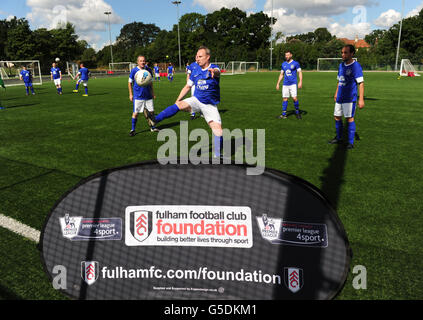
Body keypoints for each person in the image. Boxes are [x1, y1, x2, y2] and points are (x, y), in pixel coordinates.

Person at [145, 46, 224, 158]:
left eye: (200, 56)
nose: (197, 59)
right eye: (196, 56)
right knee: (179, 104)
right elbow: (188, 86)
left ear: (208, 57)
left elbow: (217, 72)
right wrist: (178, 100)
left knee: (218, 131)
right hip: (196, 100)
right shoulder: (195, 70)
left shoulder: (214, 68)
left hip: (209, 105)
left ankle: (218, 155)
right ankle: (154, 120)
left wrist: (214, 72)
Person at [329, 44, 365, 149]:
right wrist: (336, 93)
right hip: (340, 96)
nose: (343, 54)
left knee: (349, 118)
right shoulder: (341, 65)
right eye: (342, 52)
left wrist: (361, 99)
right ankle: (339, 138)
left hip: (349, 97)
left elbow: (361, 83)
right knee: (337, 116)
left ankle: (350, 142)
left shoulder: (356, 66)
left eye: (345, 52)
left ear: (352, 53)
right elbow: (339, 80)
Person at [128, 55, 159, 136]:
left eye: (144, 61)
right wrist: (131, 94)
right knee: (136, 113)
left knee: (152, 112)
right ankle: (133, 129)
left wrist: (153, 93)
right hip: (138, 96)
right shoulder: (134, 71)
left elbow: (151, 82)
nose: (143, 62)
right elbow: (129, 82)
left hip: (148, 95)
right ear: (138, 62)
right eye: (141, 61)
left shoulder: (148, 70)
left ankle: (152, 127)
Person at [276, 51, 303, 119]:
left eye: (288, 55)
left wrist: (300, 81)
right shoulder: (283, 64)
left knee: (294, 98)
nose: (286, 56)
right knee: (285, 98)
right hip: (285, 84)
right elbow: (281, 74)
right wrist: (278, 83)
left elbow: (299, 72)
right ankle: (284, 114)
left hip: (293, 84)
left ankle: (297, 112)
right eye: (285, 55)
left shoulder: (295, 63)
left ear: (291, 55)